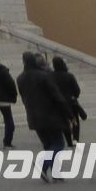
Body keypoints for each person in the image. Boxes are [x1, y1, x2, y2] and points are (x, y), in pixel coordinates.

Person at [17, 51, 74, 182]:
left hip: (33, 116)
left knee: (48, 145)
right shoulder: (44, 76)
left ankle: (56, 173)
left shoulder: (20, 78)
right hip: (50, 115)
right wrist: (69, 115)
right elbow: (57, 96)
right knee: (59, 144)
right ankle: (42, 165)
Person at [50, 56, 88, 146]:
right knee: (75, 120)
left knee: (64, 121)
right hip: (70, 102)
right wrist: (74, 96)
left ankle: (69, 141)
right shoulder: (69, 76)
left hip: (58, 103)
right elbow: (77, 90)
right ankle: (75, 139)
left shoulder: (50, 76)